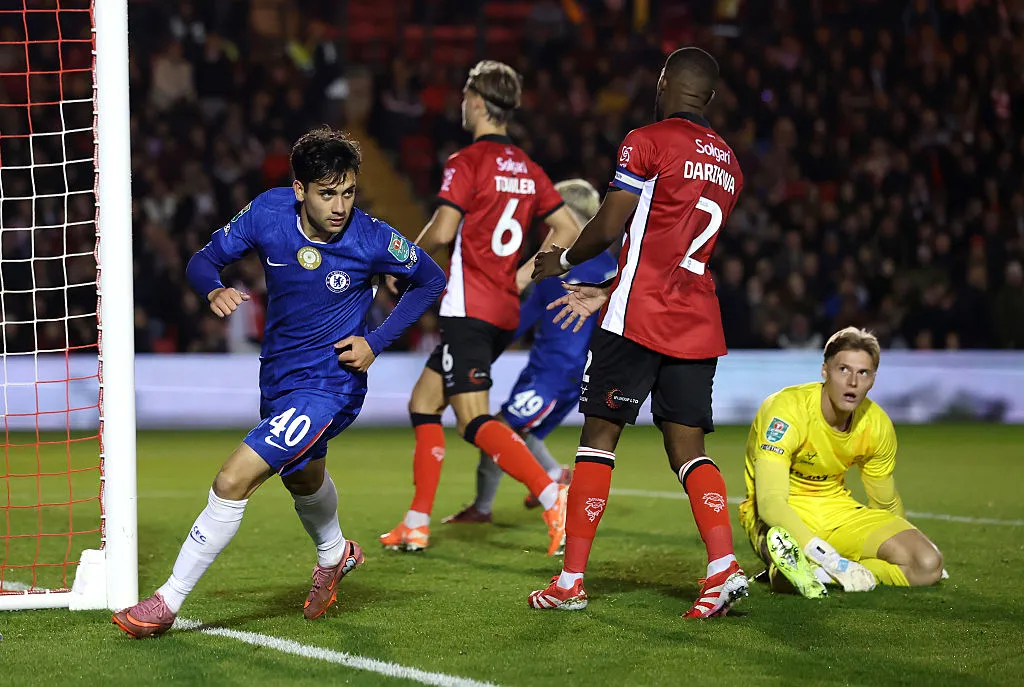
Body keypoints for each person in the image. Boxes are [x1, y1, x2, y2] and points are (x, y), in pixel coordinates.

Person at [112, 127, 446, 638]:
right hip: (279, 378)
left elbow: (431, 281)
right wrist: (213, 289)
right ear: (299, 189)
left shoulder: (373, 237)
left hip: (331, 385)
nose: (340, 206)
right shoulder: (268, 212)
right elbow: (203, 259)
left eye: (349, 192)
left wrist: (376, 342)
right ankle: (335, 554)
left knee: (232, 480)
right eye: (327, 193)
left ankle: (166, 601)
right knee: (303, 477)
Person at [529, 47, 748, 618]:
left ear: (664, 82)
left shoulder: (646, 140)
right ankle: (722, 567)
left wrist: (564, 262)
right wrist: (609, 287)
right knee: (688, 448)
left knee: (598, 438)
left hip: (638, 318)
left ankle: (571, 580)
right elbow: (671, 247)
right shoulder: (729, 163)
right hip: (697, 319)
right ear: (711, 98)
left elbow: (608, 223)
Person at [380, 61, 582, 556]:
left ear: (475, 101)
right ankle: (416, 521)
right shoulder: (530, 169)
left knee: (473, 420)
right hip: (501, 310)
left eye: (464, 95)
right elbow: (571, 231)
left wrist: (401, 261)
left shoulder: (465, 161)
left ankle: (553, 494)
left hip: (469, 309)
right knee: (424, 403)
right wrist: (522, 275)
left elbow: (445, 231)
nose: (461, 104)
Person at [441, 179, 618, 524]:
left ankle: (547, 483)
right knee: (522, 434)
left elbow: (517, 320)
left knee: (499, 429)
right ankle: (533, 485)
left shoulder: (557, 266)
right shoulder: (610, 269)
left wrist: (478, 344)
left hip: (553, 373)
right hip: (578, 373)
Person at [738, 327, 945, 598]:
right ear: (825, 371)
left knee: (928, 565)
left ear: (873, 379)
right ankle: (798, 569)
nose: (853, 382)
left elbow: (884, 502)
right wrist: (826, 555)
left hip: (837, 511)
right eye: (843, 370)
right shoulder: (787, 410)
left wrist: (911, 546)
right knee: (790, 563)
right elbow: (770, 502)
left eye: (863, 373)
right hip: (780, 514)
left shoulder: (877, 424)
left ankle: (826, 574)